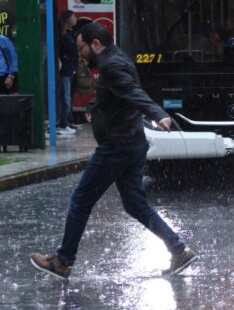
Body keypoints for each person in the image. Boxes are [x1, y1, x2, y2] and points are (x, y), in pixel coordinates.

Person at [29, 23, 197, 281]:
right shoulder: (118, 58)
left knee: (81, 199)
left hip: (116, 147)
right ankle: (178, 250)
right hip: (132, 143)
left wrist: (158, 114)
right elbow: (118, 91)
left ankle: (63, 261)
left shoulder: (111, 66)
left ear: (95, 44)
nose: (81, 54)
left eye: (82, 48)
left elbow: (132, 92)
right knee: (135, 205)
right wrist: (96, 104)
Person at [55, 11, 78, 135]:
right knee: (66, 98)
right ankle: (63, 124)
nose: (76, 18)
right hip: (65, 70)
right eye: (73, 16)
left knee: (68, 97)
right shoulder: (62, 36)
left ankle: (67, 121)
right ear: (67, 19)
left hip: (71, 69)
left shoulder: (71, 33)